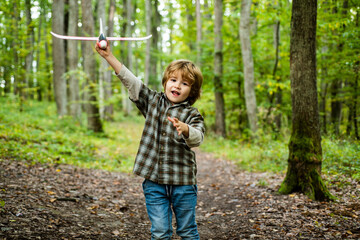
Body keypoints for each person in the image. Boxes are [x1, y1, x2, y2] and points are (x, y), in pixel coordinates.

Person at [95, 41, 205, 240]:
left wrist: (186, 129)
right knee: (160, 232)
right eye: (173, 80)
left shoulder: (192, 114)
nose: (177, 85)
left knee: (187, 231)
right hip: (154, 183)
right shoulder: (153, 101)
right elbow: (131, 81)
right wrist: (109, 56)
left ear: (192, 91)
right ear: (165, 82)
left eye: (185, 83)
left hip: (183, 184)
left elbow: (198, 138)